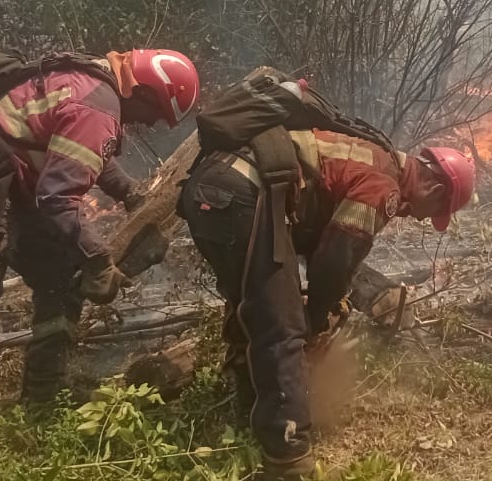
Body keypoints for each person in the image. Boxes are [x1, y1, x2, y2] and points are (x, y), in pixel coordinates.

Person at [0, 48, 199, 481]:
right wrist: (99, 257)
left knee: (60, 280)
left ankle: (42, 408)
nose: (150, 123)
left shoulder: (90, 87)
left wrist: (132, 195)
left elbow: (78, 152)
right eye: (155, 112)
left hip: (6, 191)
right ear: (144, 89)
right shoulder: (97, 102)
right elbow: (57, 200)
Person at [177, 112, 475, 480]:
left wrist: (323, 303)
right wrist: (315, 321)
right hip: (241, 194)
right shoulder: (384, 186)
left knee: (251, 306)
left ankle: (245, 411)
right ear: (437, 189)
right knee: (283, 326)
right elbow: (336, 256)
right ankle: (288, 460)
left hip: (207, 190)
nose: (421, 219)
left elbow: (319, 240)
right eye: (435, 213)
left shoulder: (370, 155)